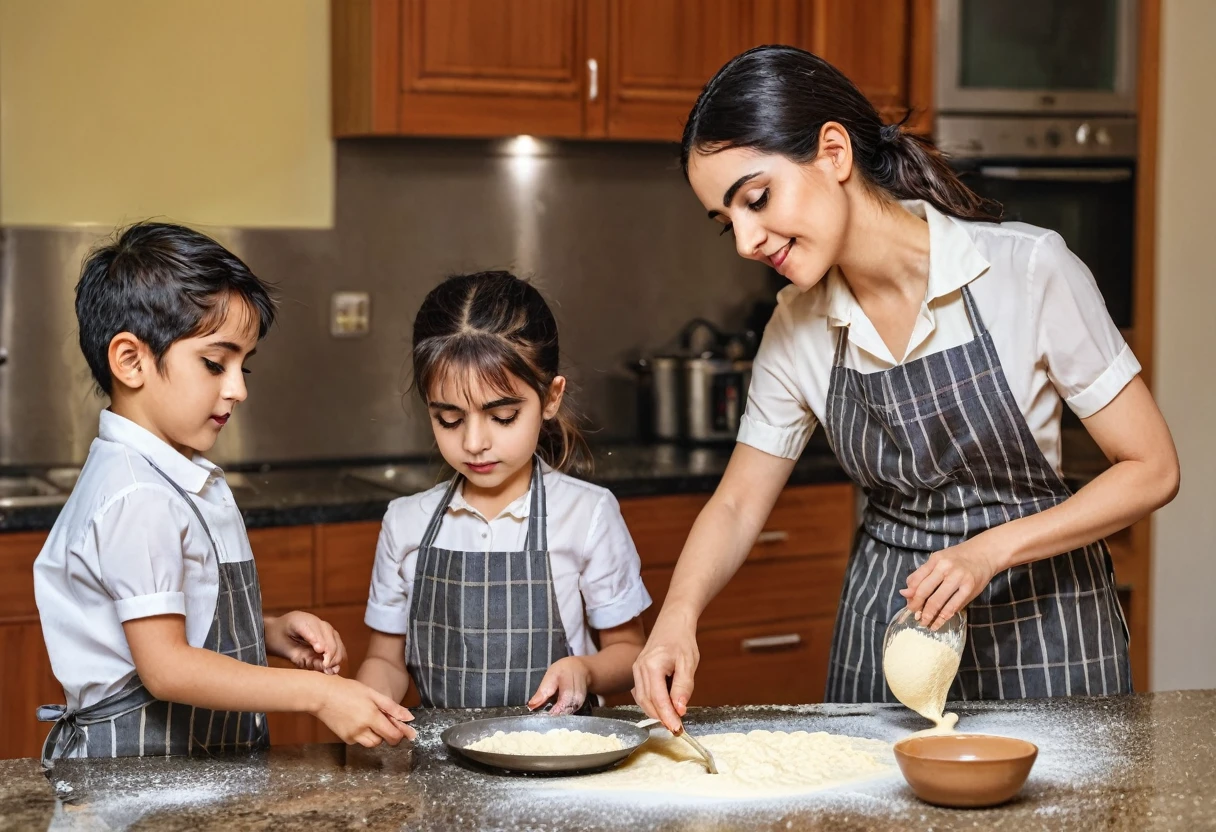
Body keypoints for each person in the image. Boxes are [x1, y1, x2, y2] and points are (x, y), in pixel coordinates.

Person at [632, 46, 1180, 732]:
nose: (745, 240)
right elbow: (739, 503)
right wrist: (676, 620)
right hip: (888, 632)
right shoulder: (795, 327)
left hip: (1048, 628)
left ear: (833, 153)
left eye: (756, 199)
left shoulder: (1028, 272)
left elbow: (1151, 469)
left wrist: (989, 551)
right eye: (726, 222)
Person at [33, 223, 415, 765]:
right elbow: (167, 667)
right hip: (136, 783)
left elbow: (163, 621)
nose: (238, 388)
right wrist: (322, 694)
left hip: (191, 777)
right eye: (215, 363)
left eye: (244, 365)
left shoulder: (171, 477)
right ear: (131, 360)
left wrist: (271, 631)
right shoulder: (137, 494)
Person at [356, 271, 651, 713]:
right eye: (450, 419)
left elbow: (629, 653)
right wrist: (365, 701)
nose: (474, 442)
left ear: (550, 398)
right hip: (446, 767)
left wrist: (585, 670)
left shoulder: (586, 513)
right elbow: (385, 659)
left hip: (560, 758)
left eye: (504, 416)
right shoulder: (405, 522)